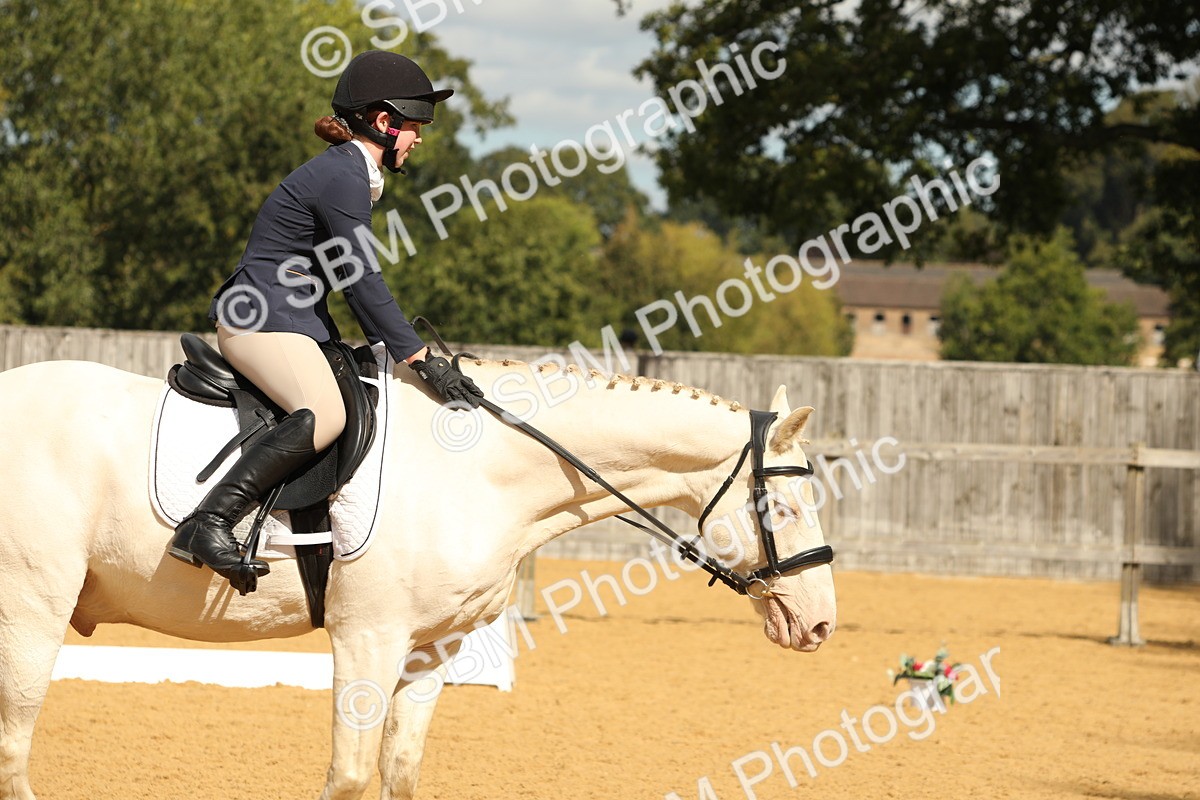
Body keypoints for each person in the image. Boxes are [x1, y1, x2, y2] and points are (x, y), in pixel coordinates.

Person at [168, 50, 483, 589]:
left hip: (290, 320)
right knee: (324, 414)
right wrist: (420, 359)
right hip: (259, 322)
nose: (418, 138)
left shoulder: (346, 173)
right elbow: (361, 280)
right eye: (414, 127)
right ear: (383, 122)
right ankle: (209, 521)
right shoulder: (342, 176)